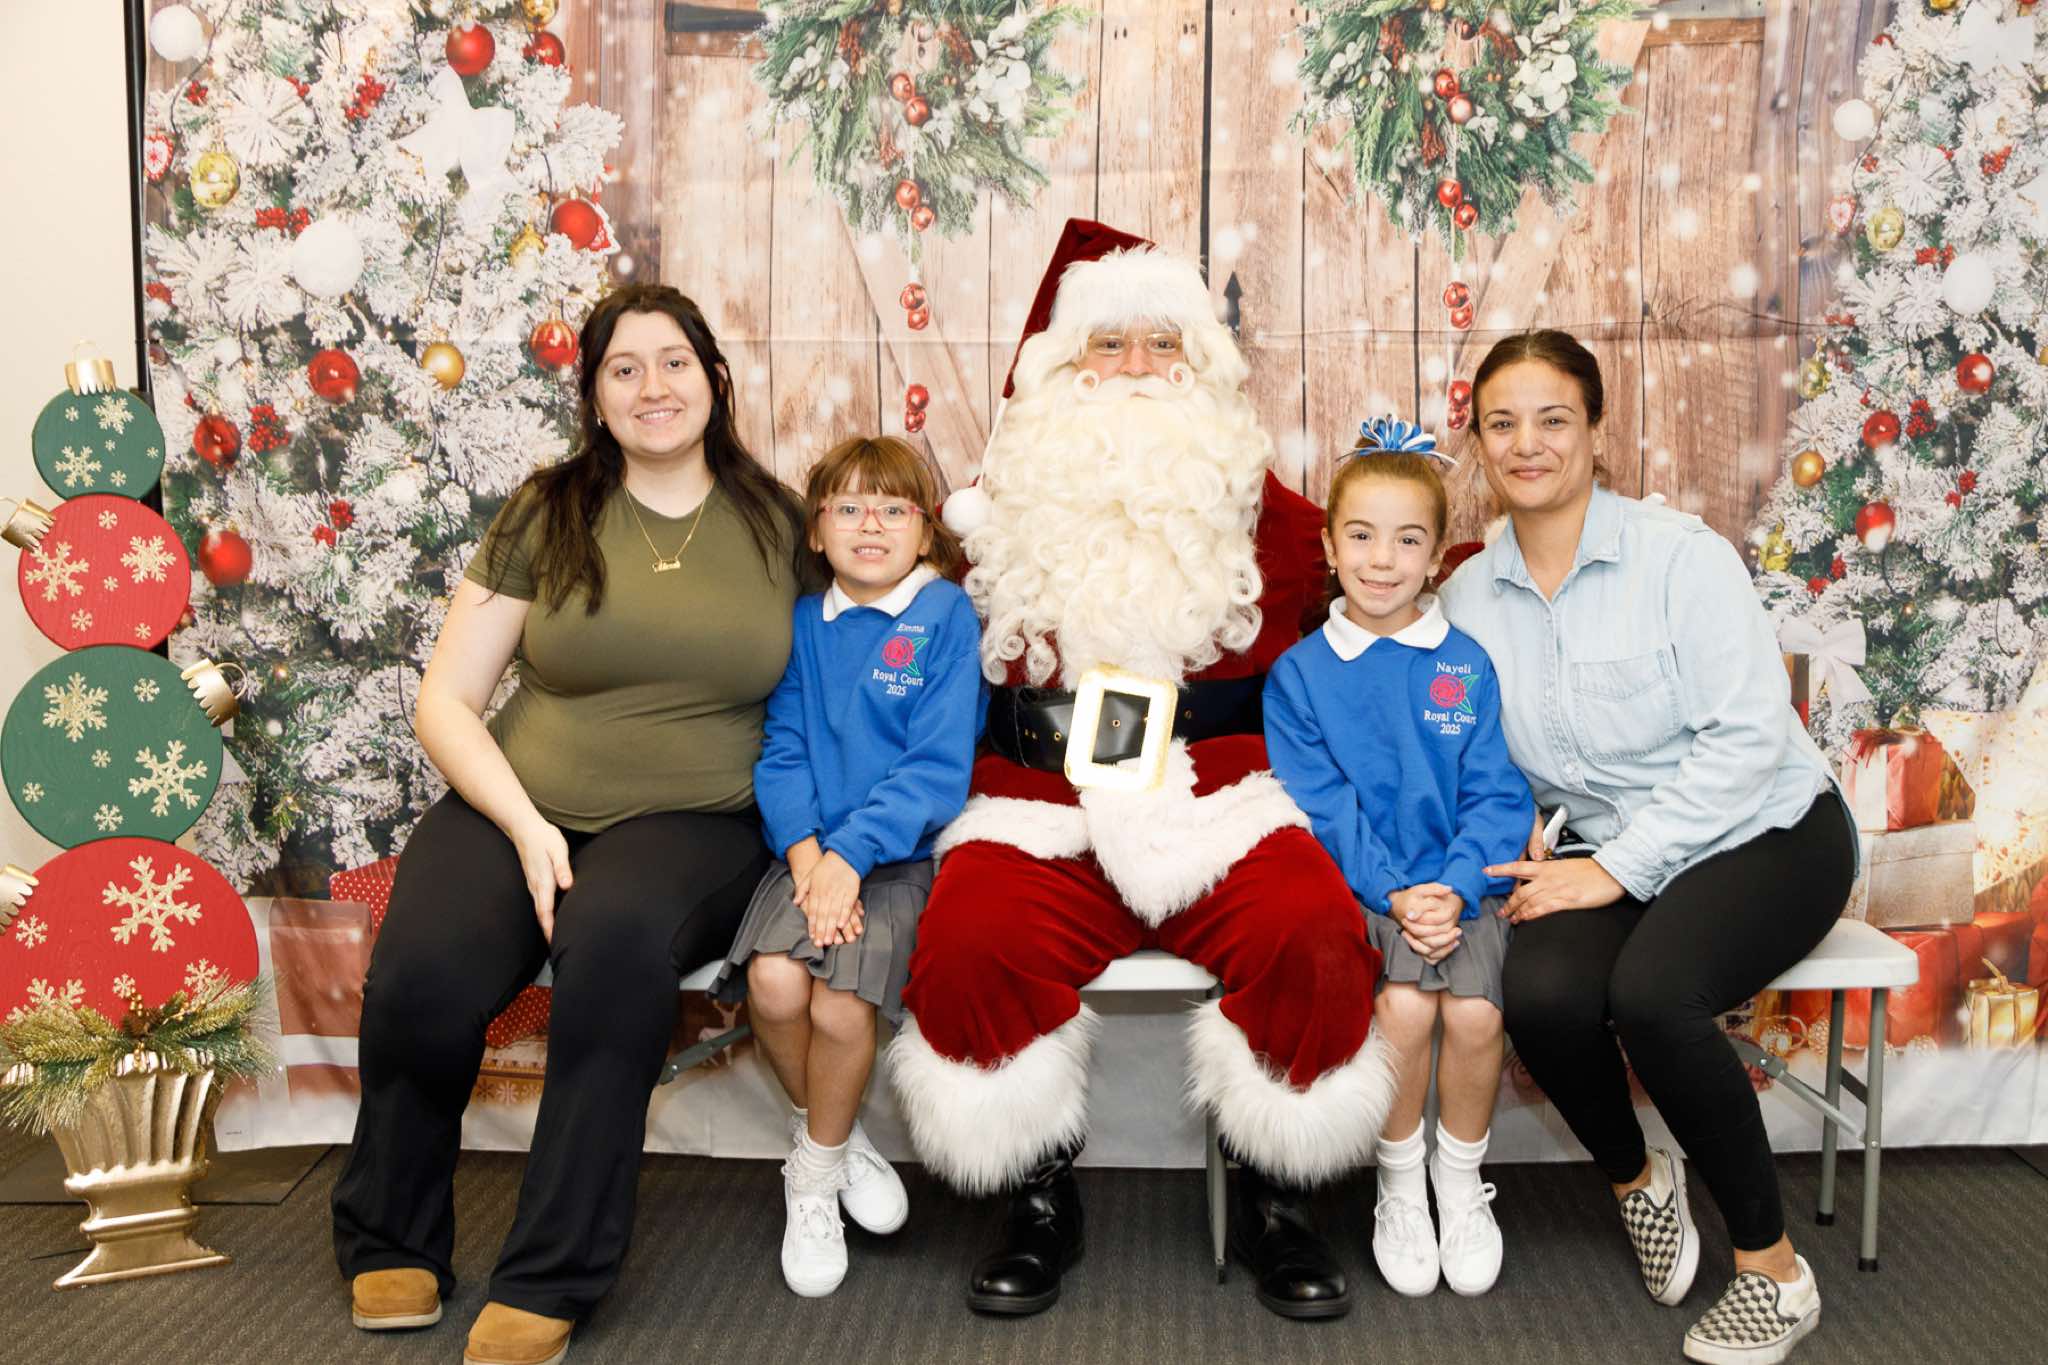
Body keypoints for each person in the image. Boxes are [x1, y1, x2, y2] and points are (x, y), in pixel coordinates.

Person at [888, 220, 1395, 1322]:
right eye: (1106, 345)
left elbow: (1391, 559)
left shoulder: (1273, 515)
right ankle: (1035, 1193)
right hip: (1043, 801)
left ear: (1200, 364)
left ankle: (1277, 1193)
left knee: (1312, 931)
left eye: (1162, 344)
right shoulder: (998, 508)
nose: (1132, 369)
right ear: (1061, 368)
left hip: (1220, 793)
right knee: (971, 938)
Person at [331, 283, 815, 1365]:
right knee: (422, 973)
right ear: (595, 396)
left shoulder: (781, 524)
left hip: (695, 820)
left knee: (612, 946)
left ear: (714, 379)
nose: (653, 387)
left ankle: (551, 1272)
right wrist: (523, 826)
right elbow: (446, 701)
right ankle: (389, 1237)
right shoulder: (545, 511)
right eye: (623, 369)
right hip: (520, 798)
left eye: (674, 362)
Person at [1439, 330, 1857, 1365]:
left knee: (1655, 994)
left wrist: (1614, 871)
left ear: (1595, 430)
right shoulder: (1465, 600)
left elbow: (1745, 741)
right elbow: (1479, 757)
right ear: (1477, 443)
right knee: (1537, 993)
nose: (1526, 444)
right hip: (1605, 848)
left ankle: (1773, 1271)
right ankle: (1638, 1178)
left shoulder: (1680, 558)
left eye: (1552, 420)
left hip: (1765, 827)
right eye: (1501, 424)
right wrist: (1517, 847)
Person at [1263, 418, 1532, 1300]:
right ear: (1330, 548)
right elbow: (1324, 807)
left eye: (1408, 539)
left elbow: (1497, 794)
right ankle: (1401, 1184)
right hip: (1367, 888)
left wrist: (1453, 886)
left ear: (1438, 555)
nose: (1383, 560)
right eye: (1362, 536)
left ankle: (1460, 1180)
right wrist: (1395, 891)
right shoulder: (1301, 674)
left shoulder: (1465, 663)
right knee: (1407, 1009)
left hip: (1463, 887)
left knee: (1478, 1017)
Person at [710, 435, 983, 1298]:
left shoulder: (944, 615)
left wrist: (849, 859)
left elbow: (934, 770)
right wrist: (807, 858)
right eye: (850, 508)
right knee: (774, 985)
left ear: (926, 532)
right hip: (806, 854)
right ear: (817, 530)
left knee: (836, 1006)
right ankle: (831, 1139)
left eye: (894, 508)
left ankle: (811, 1182)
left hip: (894, 859)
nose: (872, 525)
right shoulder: (802, 623)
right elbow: (783, 751)